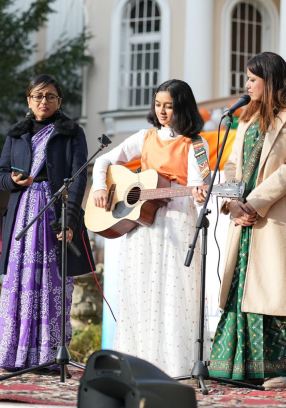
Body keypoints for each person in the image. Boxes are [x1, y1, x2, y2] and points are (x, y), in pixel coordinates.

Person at [209, 52, 286, 389]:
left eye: (252, 79)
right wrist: (231, 202)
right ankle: (232, 368)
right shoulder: (246, 119)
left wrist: (254, 203)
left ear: (270, 80)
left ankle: (277, 372)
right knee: (240, 290)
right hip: (244, 219)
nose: (246, 85)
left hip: (278, 220)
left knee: (275, 291)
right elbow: (230, 166)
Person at [92, 79, 209, 377]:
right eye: (158, 105)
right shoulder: (144, 137)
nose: (162, 111)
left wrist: (201, 194)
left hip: (177, 221)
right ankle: (137, 363)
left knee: (174, 291)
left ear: (182, 106)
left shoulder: (196, 143)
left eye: (169, 106)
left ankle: (175, 365)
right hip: (142, 226)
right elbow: (104, 160)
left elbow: (199, 185)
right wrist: (99, 188)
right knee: (140, 290)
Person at [0, 74, 95, 372]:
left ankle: (48, 355)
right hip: (23, 212)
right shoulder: (16, 133)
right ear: (29, 100)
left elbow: (78, 177)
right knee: (20, 282)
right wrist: (12, 180)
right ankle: (13, 353)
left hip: (55, 212)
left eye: (49, 96)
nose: (43, 102)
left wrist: (69, 219)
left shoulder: (71, 133)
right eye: (38, 96)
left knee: (53, 282)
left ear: (59, 101)